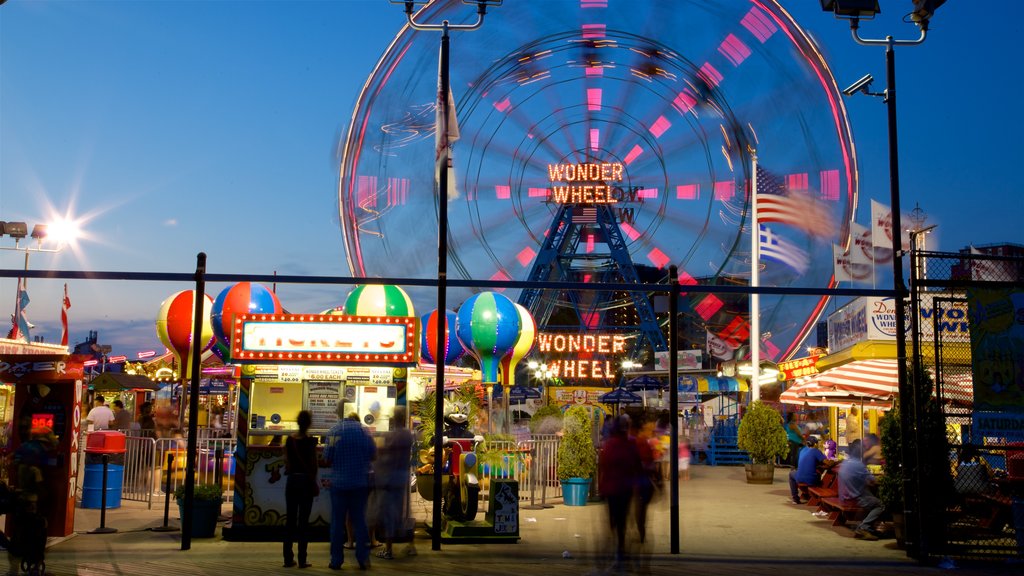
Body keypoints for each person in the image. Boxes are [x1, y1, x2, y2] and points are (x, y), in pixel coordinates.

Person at [323, 402, 376, 571]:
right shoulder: (364, 431)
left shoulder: (333, 432)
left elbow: (327, 458)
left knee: (338, 524)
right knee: (360, 521)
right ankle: (363, 559)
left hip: (338, 484)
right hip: (359, 483)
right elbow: (373, 455)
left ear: (339, 412)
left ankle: (336, 560)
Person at [371, 407, 415, 560]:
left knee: (389, 514)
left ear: (395, 419)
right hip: (402, 475)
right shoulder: (408, 434)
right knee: (403, 511)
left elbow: (385, 453)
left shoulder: (393, 435)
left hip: (390, 477)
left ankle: (389, 550)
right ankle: (411, 544)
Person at [598, 414, 641, 568]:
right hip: (624, 489)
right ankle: (620, 549)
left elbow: (603, 466)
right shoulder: (630, 444)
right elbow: (637, 465)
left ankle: (616, 547)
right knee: (622, 520)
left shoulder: (609, 445)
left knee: (614, 520)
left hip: (611, 489)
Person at [283, 410, 318, 569]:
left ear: (297, 422)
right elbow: (313, 464)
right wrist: (313, 480)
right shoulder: (311, 441)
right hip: (305, 482)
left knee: (290, 520)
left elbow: (287, 462)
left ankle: (287, 558)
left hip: (292, 482)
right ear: (309, 423)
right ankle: (302, 559)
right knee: (303, 522)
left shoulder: (290, 440)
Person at [837, 439, 884, 540]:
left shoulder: (846, 462)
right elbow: (874, 481)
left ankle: (869, 527)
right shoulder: (858, 465)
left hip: (844, 497)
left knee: (871, 497)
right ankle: (864, 527)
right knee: (880, 505)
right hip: (854, 498)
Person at [788, 436, 830, 504]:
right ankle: (817, 494)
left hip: (799, 477)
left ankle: (795, 498)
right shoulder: (816, 451)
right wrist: (839, 462)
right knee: (819, 474)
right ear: (815, 444)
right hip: (811, 480)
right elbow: (827, 462)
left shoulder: (803, 450)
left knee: (791, 474)